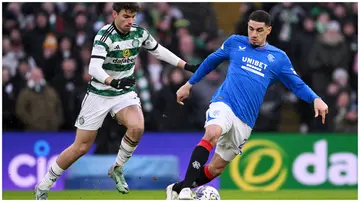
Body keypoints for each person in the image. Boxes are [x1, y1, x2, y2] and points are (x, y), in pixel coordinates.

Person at [34, 2, 199, 200]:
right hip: (99, 94)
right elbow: (93, 69)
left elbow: (158, 50)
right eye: (126, 16)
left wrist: (185, 65)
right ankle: (43, 186)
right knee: (81, 147)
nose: (130, 21)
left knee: (137, 127)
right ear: (114, 14)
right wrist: (114, 81)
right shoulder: (104, 36)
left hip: (123, 93)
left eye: (133, 17)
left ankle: (117, 168)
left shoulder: (139, 33)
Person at [166, 10, 329, 200]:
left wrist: (315, 98)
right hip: (224, 103)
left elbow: (296, 84)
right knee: (212, 133)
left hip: (245, 121)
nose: (254, 34)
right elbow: (211, 61)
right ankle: (186, 190)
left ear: (269, 30)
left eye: (259, 30)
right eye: (251, 28)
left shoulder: (278, 58)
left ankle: (176, 188)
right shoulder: (235, 42)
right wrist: (189, 84)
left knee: (216, 168)